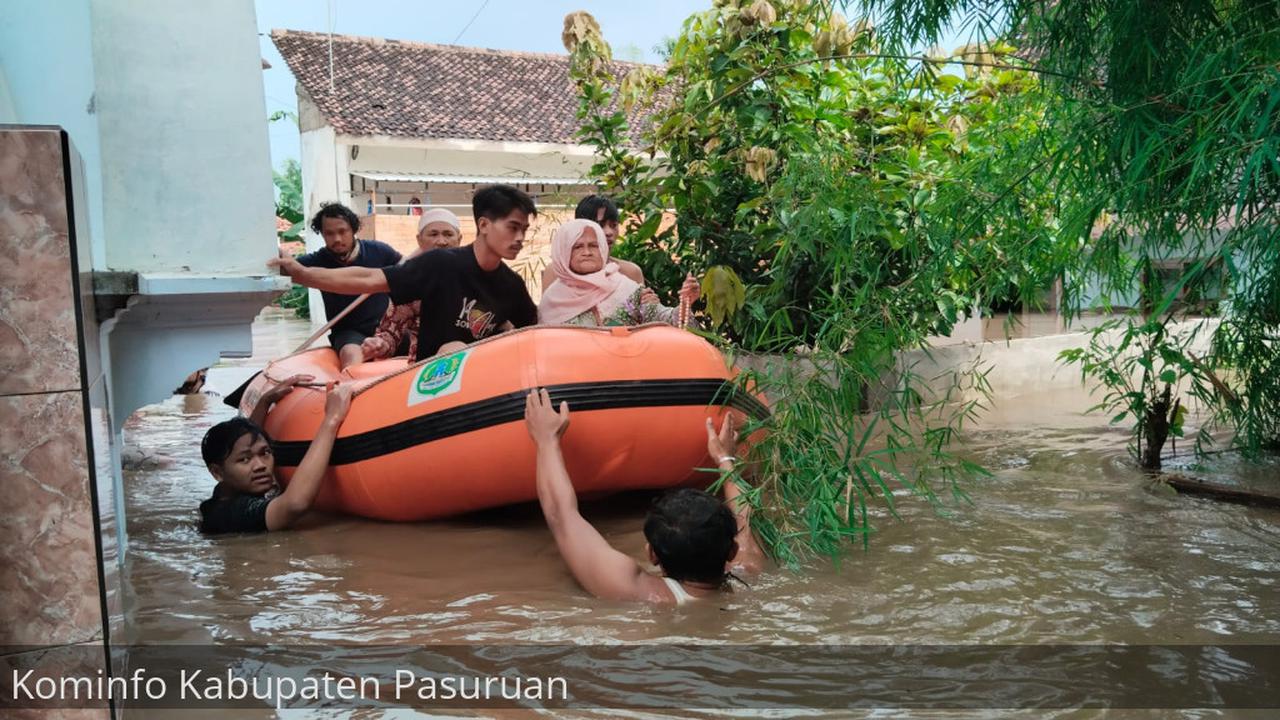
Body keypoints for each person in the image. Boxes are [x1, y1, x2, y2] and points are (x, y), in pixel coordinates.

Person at [523, 388, 765, 605]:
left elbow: (561, 516)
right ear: (731, 551)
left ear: (652, 555)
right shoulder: (748, 568)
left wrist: (547, 440)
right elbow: (744, 515)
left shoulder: (636, 590)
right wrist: (725, 459)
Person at [270, 185, 538, 360]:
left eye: (524, 230)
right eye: (513, 227)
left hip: (483, 384)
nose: (519, 237)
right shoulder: (439, 264)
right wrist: (301, 274)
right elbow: (370, 278)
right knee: (453, 349)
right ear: (484, 225)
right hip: (430, 382)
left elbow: (536, 333)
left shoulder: (512, 286)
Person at [199, 377, 353, 534]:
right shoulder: (232, 513)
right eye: (245, 460)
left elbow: (247, 444)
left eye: (265, 453)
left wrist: (265, 401)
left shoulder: (226, 489)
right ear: (217, 472)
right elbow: (294, 504)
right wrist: (332, 419)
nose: (261, 465)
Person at [294, 202, 402, 368]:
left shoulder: (380, 252)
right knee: (351, 355)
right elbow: (287, 270)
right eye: (329, 233)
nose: (337, 239)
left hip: (387, 328)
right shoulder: (315, 262)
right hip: (349, 333)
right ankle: (351, 387)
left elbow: (407, 273)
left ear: (353, 230)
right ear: (322, 234)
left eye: (342, 231)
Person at [538, 219, 700, 327]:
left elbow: (668, 323)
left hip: (627, 377)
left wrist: (685, 303)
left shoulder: (627, 290)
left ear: (602, 248)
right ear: (563, 253)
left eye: (593, 245)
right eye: (578, 247)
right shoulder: (552, 301)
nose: (587, 252)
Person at [360, 209, 464, 361]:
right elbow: (390, 334)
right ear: (419, 240)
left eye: (448, 234)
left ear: (459, 239)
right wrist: (380, 344)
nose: (442, 241)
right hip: (424, 371)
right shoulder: (410, 283)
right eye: (433, 234)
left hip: (473, 365)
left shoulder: (475, 274)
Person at [541, 194, 644, 291]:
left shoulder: (631, 273)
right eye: (600, 225)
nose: (609, 232)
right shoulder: (556, 273)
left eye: (613, 225)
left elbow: (644, 309)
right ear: (579, 227)